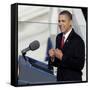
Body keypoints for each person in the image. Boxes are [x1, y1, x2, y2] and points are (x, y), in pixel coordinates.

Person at [49, 10, 85, 81]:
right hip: (60, 80)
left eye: (63, 21)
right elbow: (59, 63)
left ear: (70, 22)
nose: (60, 23)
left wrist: (62, 57)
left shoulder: (78, 40)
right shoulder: (58, 37)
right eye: (59, 21)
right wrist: (53, 57)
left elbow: (80, 65)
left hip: (72, 81)